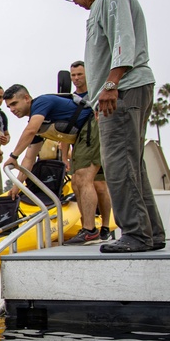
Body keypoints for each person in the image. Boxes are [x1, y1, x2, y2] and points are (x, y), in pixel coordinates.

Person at [63, 0, 166, 253]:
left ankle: (135, 233)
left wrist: (111, 84)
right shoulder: (103, 3)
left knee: (118, 163)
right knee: (131, 163)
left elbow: (123, 39)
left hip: (124, 87)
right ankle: (151, 233)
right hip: (122, 89)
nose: (77, 3)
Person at [2, 84, 93, 193]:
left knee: (83, 179)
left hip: (92, 126)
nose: (12, 109)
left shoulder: (41, 102)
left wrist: (13, 156)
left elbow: (30, 130)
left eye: (14, 104)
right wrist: (17, 186)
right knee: (77, 183)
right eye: (9, 107)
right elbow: (29, 159)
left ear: (26, 98)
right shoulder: (39, 124)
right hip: (80, 139)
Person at [64, 61, 114, 244]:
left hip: (97, 141)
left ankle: (105, 227)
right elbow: (67, 130)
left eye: (79, 74)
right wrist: (64, 156)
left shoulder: (97, 93)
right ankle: (88, 227)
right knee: (78, 182)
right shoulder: (71, 99)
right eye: (73, 75)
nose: (76, 79)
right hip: (79, 145)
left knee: (99, 186)